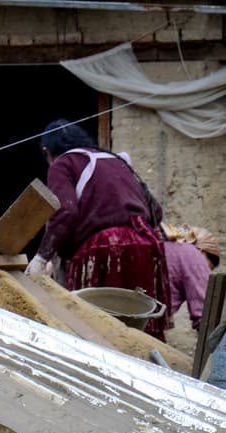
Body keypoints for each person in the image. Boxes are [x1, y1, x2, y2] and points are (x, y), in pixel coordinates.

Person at [27, 119, 172, 338]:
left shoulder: (63, 163)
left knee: (95, 329)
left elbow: (65, 212)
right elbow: (156, 211)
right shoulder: (115, 160)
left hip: (104, 249)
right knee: (140, 328)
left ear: (47, 151)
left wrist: (41, 257)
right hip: (146, 246)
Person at [162, 222, 220, 331]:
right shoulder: (194, 257)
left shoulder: (164, 245)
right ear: (201, 252)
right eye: (208, 267)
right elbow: (205, 317)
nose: (206, 273)